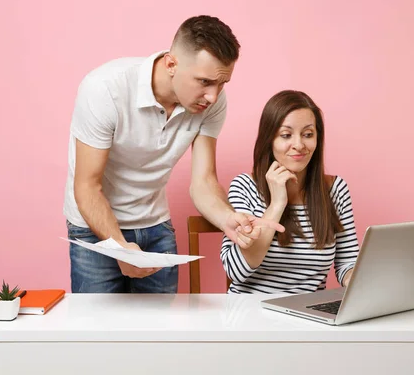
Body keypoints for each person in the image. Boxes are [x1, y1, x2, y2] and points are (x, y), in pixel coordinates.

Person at [64, 15, 283, 293]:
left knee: (161, 333)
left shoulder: (210, 103)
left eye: (222, 83)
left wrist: (228, 219)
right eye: (204, 81)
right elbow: (86, 187)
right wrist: (120, 247)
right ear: (171, 64)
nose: (214, 96)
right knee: (99, 333)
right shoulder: (105, 89)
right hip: (94, 228)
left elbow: (203, 181)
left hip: (155, 224)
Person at [220, 90, 360, 293]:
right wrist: (277, 204)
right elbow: (235, 270)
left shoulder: (335, 190)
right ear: (270, 140)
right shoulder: (244, 187)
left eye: (308, 134)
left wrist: (360, 279)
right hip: (250, 315)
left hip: (307, 315)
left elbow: (347, 262)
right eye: (286, 135)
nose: (299, 145)